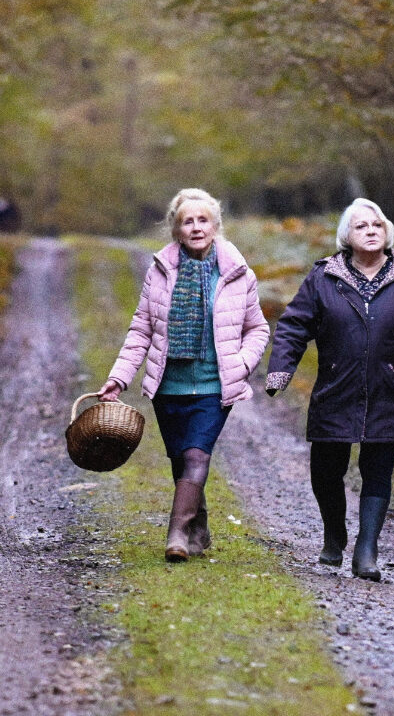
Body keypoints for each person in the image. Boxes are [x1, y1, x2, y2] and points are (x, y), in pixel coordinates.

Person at [265, 197, 394, 581]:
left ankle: (367, 550)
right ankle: (334, 533)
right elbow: (294, 325)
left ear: (387, 231)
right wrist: (281, 369)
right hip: (335, 387)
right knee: (326, 470)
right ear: (347, 235)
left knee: (378, 471)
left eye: (377, 224)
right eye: (361, 226)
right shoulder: (324, 277)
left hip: (389, 390)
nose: (371, 230)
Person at [97, 188, 270, 562]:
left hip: (214, 385)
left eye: (203, 220)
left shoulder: (238, 273)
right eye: (187, 221)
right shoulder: (159, 272)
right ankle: (198, 527)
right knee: (180, 459)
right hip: (169, 386)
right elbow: (141, 329)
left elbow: (257, 328)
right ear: (176, 230)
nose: (196, 227)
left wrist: (241, 364)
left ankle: (176, 534)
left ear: (215, 226)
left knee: (196, 455)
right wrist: (119, 378)